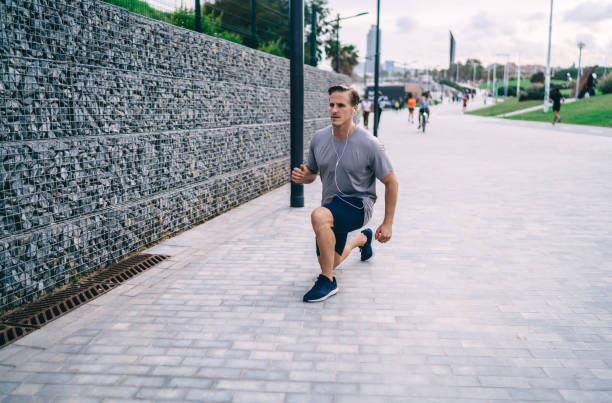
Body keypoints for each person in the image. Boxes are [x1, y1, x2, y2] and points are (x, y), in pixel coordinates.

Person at [291, 84, 399, 303]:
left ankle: (328, 281)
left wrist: (387, 223)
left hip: (359, 204)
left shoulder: (370, 144)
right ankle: (362, 239)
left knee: (319, 216)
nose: (334, 110)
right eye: (331, 104)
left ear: (355, 109)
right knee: (332, 260)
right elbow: (312, 173)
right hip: (332, 205)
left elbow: (391, 182)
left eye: (341, 105)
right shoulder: (319, 139)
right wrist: (305, 177)